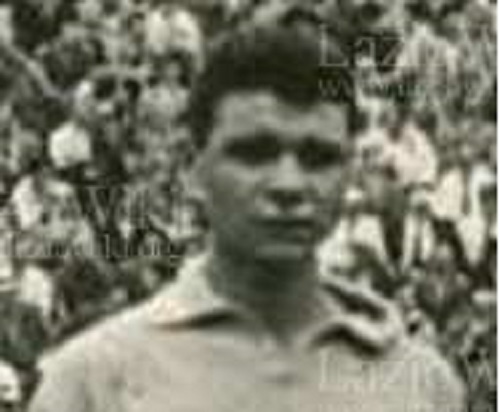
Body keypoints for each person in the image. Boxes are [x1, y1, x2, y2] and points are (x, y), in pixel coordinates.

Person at [29, 11, 464, 412]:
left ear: (349, 172)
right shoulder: (95, 381)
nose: (289, 185)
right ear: (193, 169)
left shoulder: (422, 386)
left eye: (318, 157)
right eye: (254, 153)